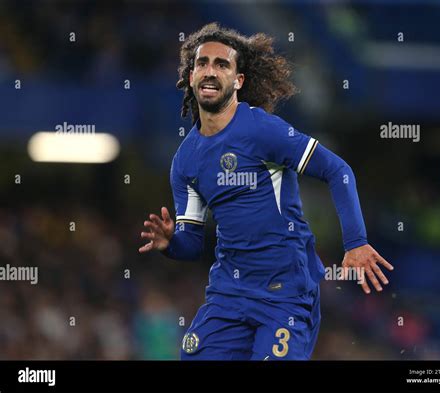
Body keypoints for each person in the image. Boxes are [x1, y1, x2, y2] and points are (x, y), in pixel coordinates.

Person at [139, 23, 394, 360]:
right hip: (229, 295)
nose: (210, 71)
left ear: (239, 80)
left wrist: (356, 241)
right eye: (202, 63)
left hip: (285, 294)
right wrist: (171, 244)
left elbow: (337, 170)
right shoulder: (185, 160)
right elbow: (191, 244)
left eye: (222, 64)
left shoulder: (262, 130)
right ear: (190, 77)